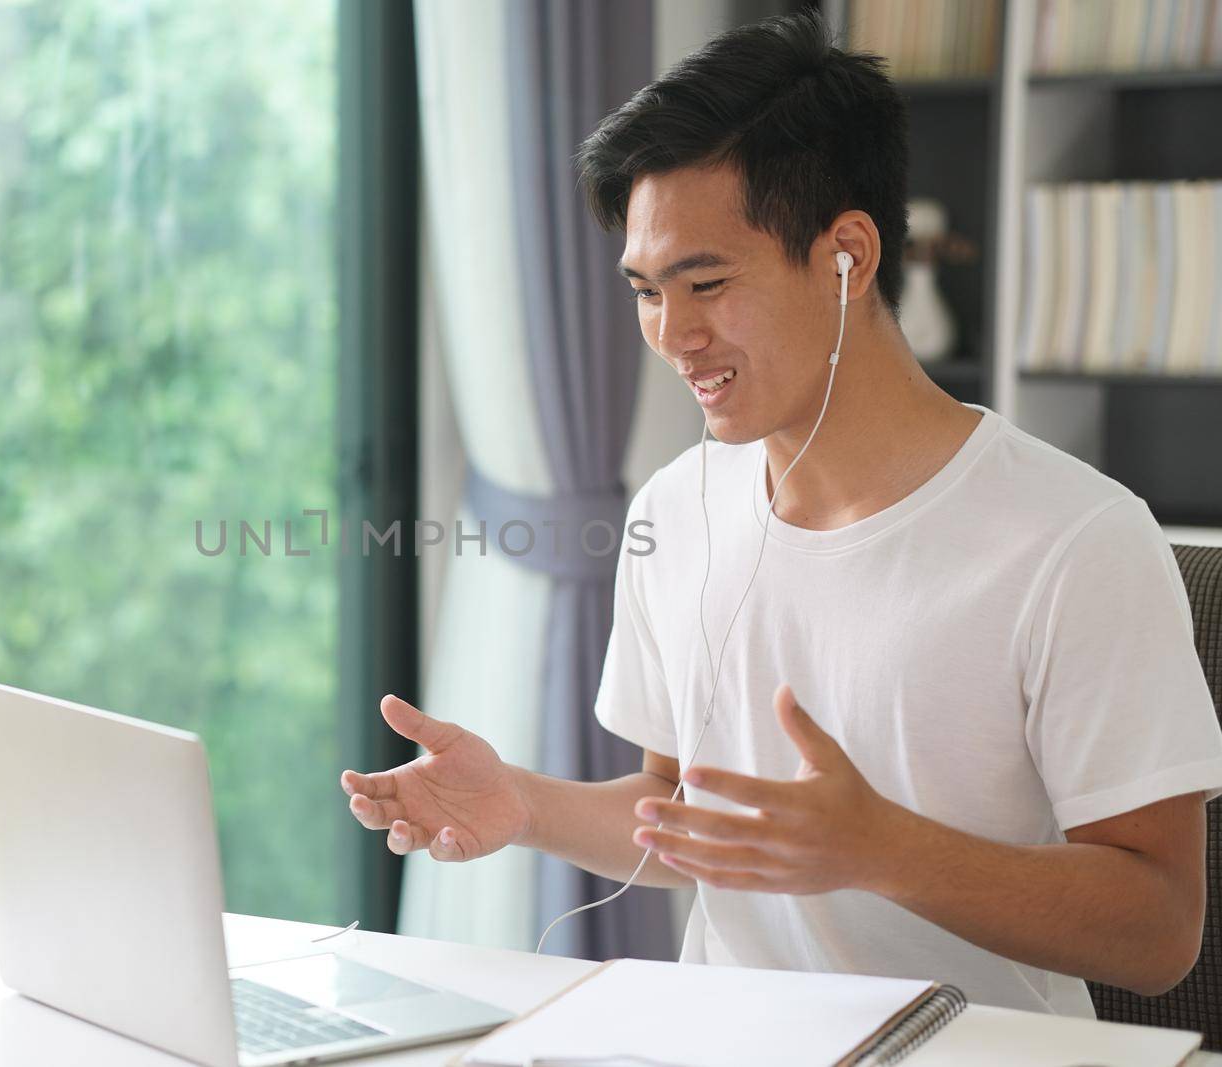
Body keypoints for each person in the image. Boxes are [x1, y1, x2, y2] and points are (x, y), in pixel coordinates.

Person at [338, 9, 1222, 1016]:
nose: (673, 335)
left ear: (846, 254)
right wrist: (522, 802)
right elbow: (686, 814)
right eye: (644, 291)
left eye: (706, 281)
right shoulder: (677, 507)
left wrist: (883, 847)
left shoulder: (1075, 540)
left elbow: (1159, 930)